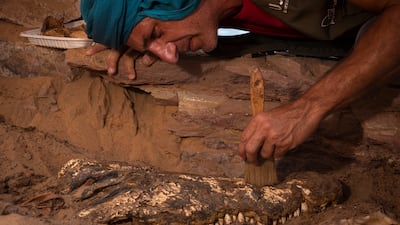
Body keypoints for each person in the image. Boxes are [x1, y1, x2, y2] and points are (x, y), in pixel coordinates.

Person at [81, 0, 400, 164]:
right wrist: (131, 35)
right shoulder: (207, 12)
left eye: (156, 34)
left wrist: (309, 107)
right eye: (148, 46)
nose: (170, 56)